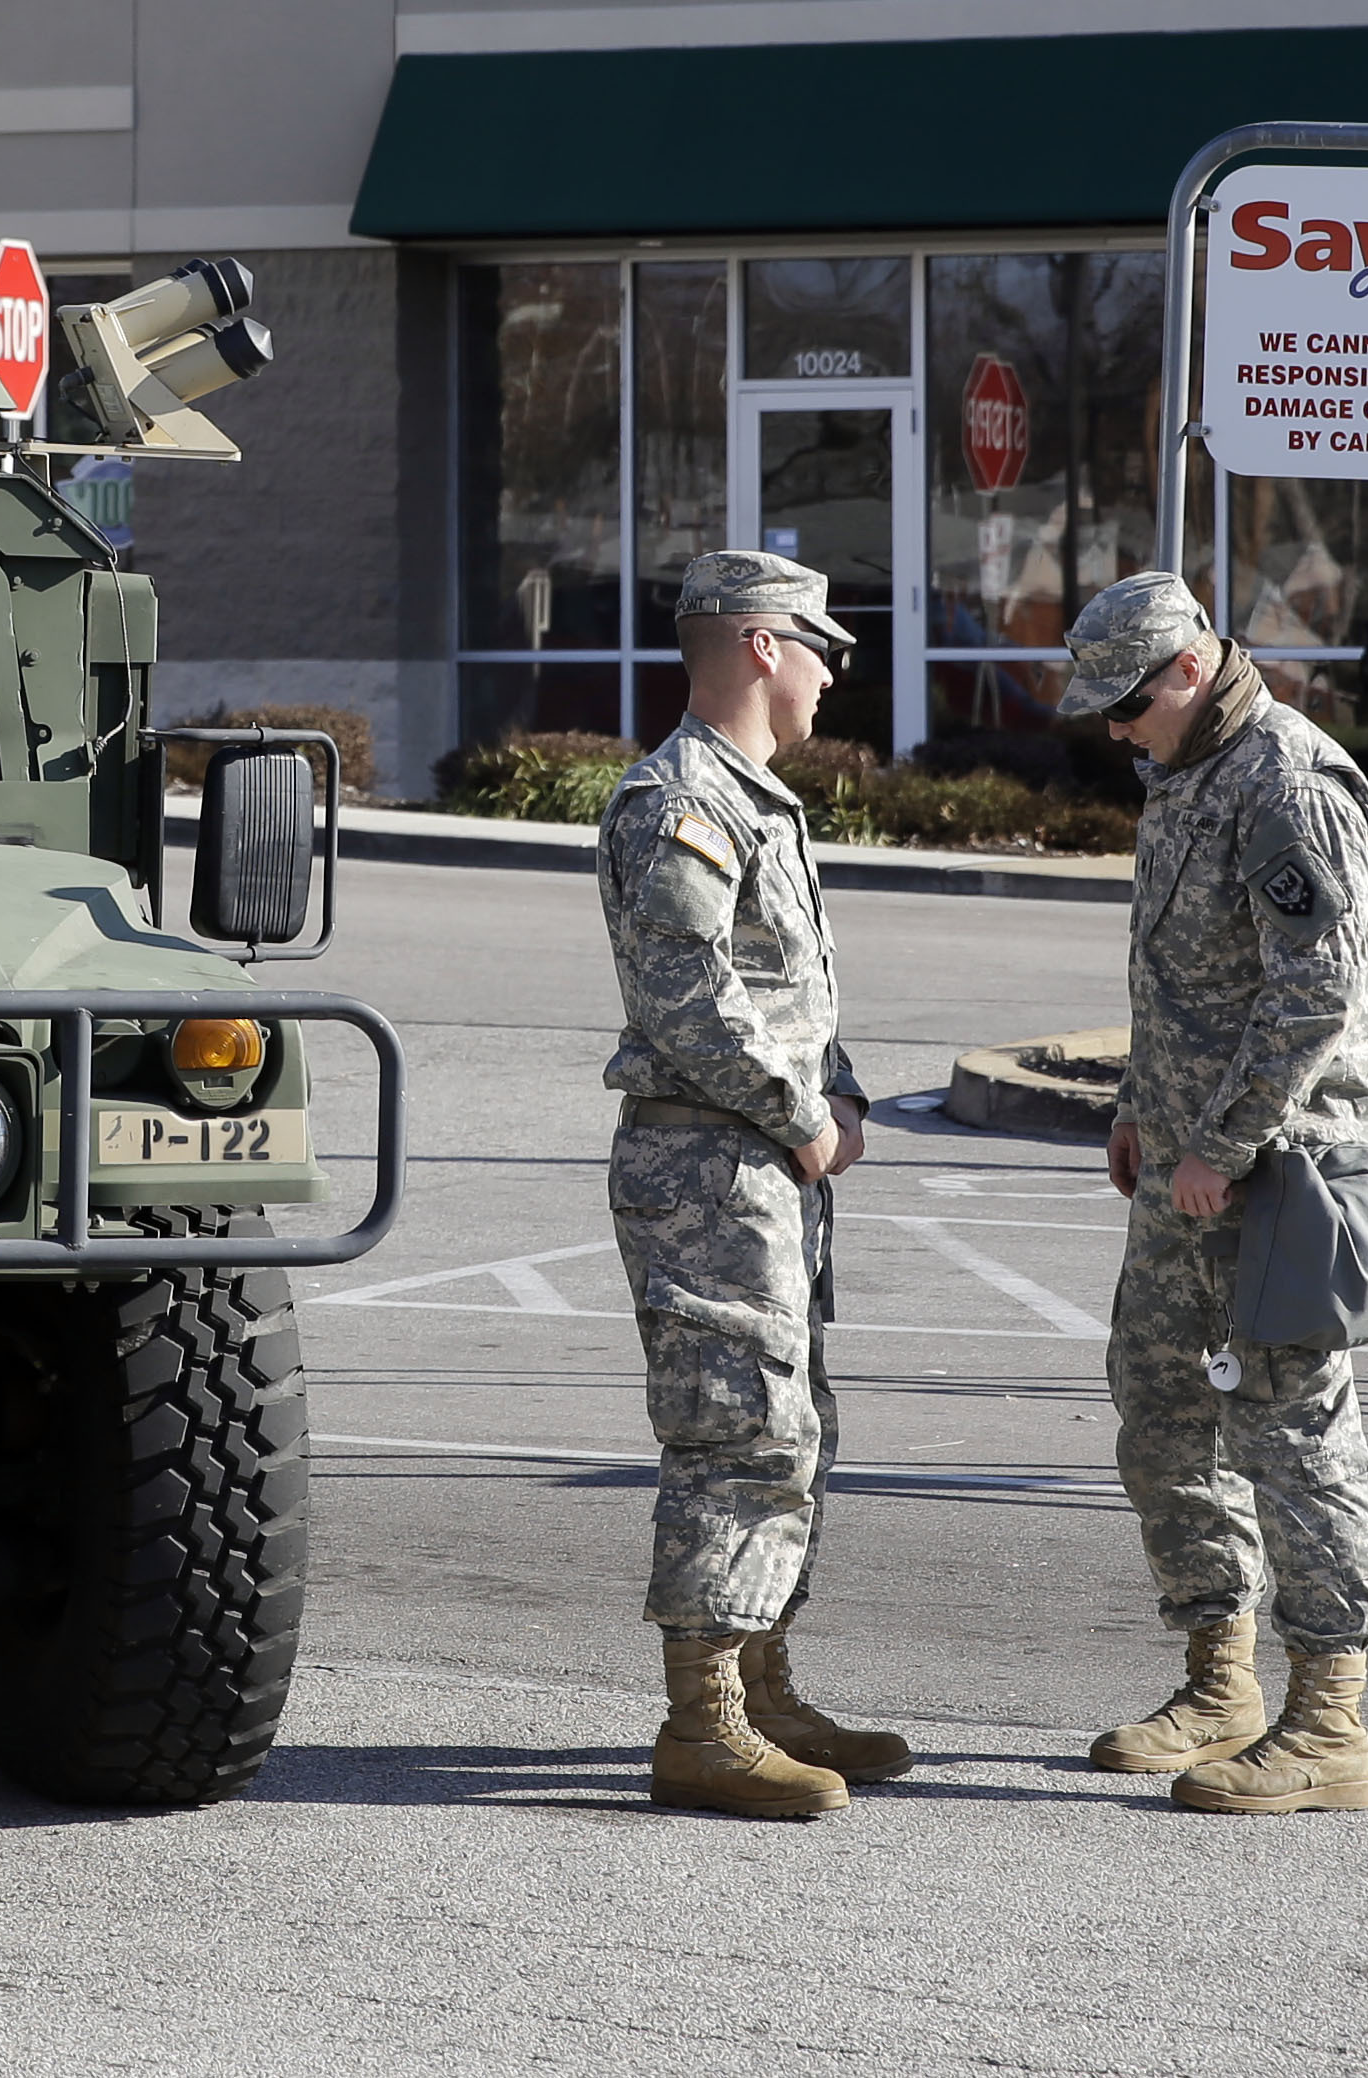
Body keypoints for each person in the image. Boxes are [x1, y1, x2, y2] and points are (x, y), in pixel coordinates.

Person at [1057, 567, 1368, 1815]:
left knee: (1293, 1434)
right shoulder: (1188, 770)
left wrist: (1225, 1142)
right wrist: (1143, 1107)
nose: (1111, 732)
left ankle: (1328, 1724)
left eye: (1125, 706)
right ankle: (1220, 1679)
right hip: (1188, 1169)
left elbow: (1316, 992)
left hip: (1278, 1174)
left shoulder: (1287, 784)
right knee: (1158, 1407)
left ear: (1187, 673)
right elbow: (1183, 978)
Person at [592, 548, 916, 1820]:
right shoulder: (671, 799)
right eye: (822, 645)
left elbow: (789, 991)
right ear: (759, 644)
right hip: (706, 1164)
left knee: (790, 1425)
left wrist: (837, 1096)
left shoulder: (752, 799)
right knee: (733, 1428)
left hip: (761, 1163)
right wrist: (799, 1114)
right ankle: (702, 1721)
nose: (837, 671)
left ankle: (766, 1679)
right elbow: (686, 997)